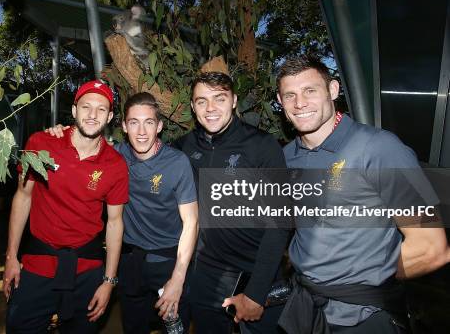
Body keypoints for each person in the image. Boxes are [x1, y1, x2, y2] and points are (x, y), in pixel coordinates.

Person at [275, 58, 450, 333]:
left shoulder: (379, 148)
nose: (300, 103)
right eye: (290, 95)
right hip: (305, 309)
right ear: (280, 102)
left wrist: (370, 283)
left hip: (365, 316)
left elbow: (431, 247)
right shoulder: (285, 158)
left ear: (332, 90)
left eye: (310, 90)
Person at [46, 91, 198, 333]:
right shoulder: (116, 156)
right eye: (134, 123)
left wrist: (177, 279)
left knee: (175, 328)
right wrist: (59, 132)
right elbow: (83, 140)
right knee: (133, 327)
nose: (141, 131)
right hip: (130, 262)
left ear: (159, 126)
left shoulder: (177, 162)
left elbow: (191, 223)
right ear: (124, 126)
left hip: (169, 261)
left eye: (149, 122)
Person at [3, 79, 129, 334]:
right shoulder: (41, 144)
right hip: (38, 263)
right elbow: (23, 197)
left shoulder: (115, 164)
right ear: (74, 111)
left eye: (101, 109)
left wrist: (109, 282)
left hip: (88, 269)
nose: (92, 115)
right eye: (86, 107)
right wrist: (11, 257)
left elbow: (115, 222)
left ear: (110, 116)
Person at [173, 71, 290, 334]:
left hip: (257, 273)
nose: (210, 108)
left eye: (219, 99)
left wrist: (257, 292)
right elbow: (142, 155)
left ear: (234, 101)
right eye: (201, 101)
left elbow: (280, 223)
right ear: (192, 106)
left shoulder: (262, 146)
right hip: (208, 275)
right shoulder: (183, 146)